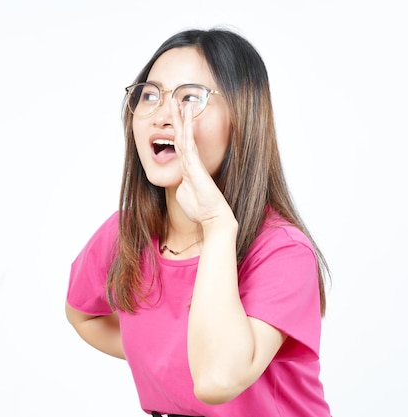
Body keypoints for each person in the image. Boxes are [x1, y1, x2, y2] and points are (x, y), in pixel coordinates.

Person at [64, 27, 332, 417]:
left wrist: (217, 226)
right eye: (150, 95)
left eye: (190, 98)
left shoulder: (283, 251)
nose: (163, 115)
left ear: (242, 118)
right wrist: (168, 351)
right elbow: (82, 313)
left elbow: (216, 380)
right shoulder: (126, 234)